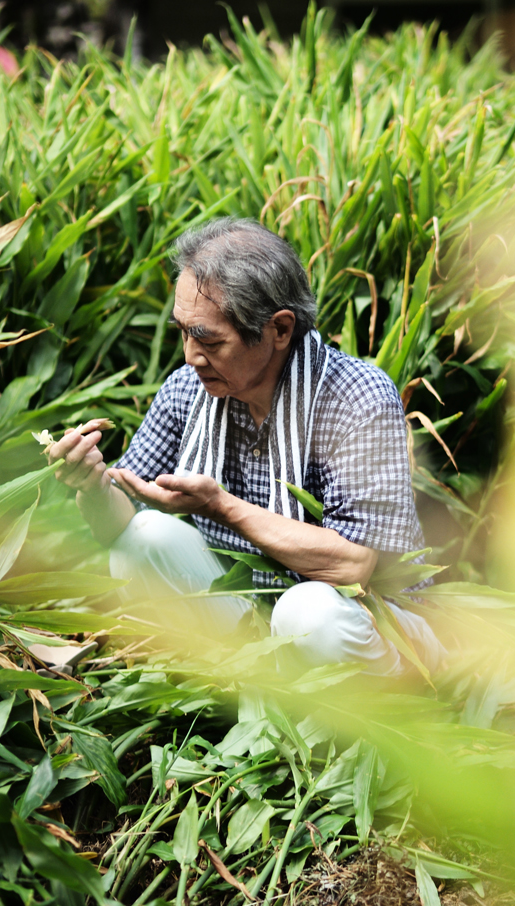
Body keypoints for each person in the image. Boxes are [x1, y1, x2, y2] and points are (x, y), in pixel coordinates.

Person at [46, 217, 441, 675]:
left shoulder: (356, 399)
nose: (190, 356)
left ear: (279, 330)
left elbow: (352, 566)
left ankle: (400, 700)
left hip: (375, 620)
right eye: (183, 331)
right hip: (258, 609)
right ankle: (250, 681)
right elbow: (117, 528)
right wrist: (93, 485)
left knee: (309, 615)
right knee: (141, 540)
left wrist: (222, 506)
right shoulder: (187, 391)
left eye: (208, 339)